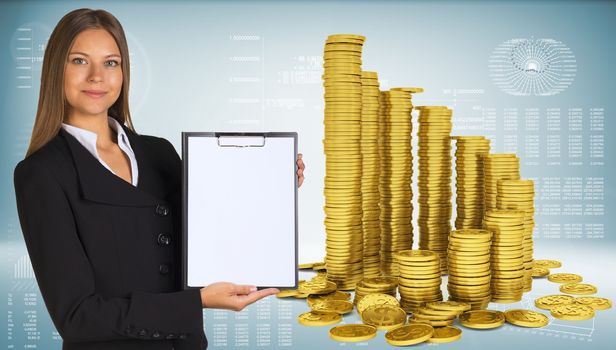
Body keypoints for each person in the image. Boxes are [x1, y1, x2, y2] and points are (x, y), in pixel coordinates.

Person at [13, 8, 305, 350]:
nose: (97, 76)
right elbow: (77, 317)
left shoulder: (160, 154)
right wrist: (196, 303)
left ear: (123, 72)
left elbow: (213, 231)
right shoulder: (41, 174)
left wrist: (269, 185)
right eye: (79, 61)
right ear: (55, 71)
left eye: (111, 63)